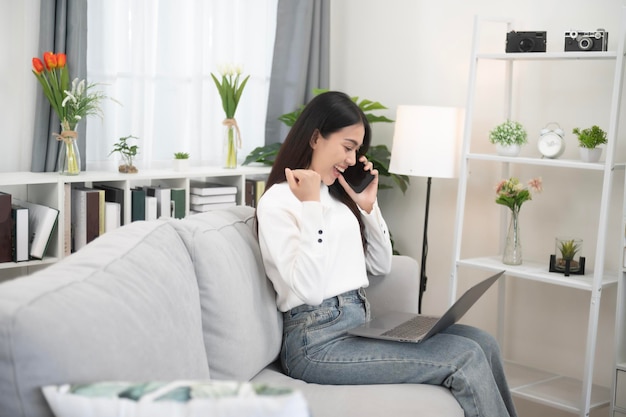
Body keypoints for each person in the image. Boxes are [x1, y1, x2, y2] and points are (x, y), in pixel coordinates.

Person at [256, 91, 518, 417]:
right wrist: (311, 207)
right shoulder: (278, 202)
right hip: (316, 344)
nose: (352, 160)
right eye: (348, 147)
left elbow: (380, 266)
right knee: (465, 359)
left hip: (358, 326)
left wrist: (367, 207)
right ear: (314, 137)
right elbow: (307, 290)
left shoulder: (336, 196)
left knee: (484, 343)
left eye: (357, 151)